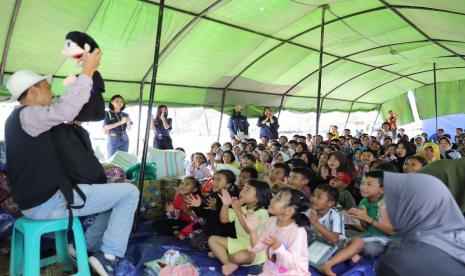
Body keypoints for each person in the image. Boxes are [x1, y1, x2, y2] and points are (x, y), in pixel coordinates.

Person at [5, 50, 141, 275]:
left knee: (112, 194)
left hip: (32, 203)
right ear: (32, 91)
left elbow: (62, 116)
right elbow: (63, 110)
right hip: (48, 203)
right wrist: (88, 71)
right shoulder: (28, 114)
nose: (51, 92)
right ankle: (109, 256)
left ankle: (86, 247)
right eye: (47, 87)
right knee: (129, 193)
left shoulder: (17, 120)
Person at [377, 173, 465, 275]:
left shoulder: (398, 262)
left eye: (390, 200)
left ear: (413, 208)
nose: (380, 204)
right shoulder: (457, 239)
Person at [319, 171, 396, 276]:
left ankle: (329, 264)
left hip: (388, 241)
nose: (363, 187)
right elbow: (366, 227)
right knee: (343, 239)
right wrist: (362, 219)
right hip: (370, 235)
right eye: (362, 183)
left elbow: (391, 232)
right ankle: (352, 253)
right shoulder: (364, 202)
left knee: (368, 248)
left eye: (369, 184)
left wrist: (366, 218)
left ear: (382, 190)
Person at [209, 180, 271, 275]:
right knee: (212, 239)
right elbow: (224, 219)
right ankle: (228, 263)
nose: (242, 191)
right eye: (243, 188)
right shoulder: (242, 208)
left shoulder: (262, 213)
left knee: (240, 257)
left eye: (247, 190)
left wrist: (237, 209)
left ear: (258, 198)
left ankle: (222, 255)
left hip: (255, 250)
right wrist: (225, 205)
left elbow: (248, 230)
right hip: (240, 243)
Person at [246, 188, 311, 276]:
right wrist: (253, 231)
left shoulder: (298, 231)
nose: (272, 200)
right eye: (275, 196)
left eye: (278, 199)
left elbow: (293, 264)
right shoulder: (272, 221)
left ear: (289, 210)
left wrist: (277, 246)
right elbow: (258, 247)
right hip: (271, 272)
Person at [186, 170, 239, 252]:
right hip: (211, 230)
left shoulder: (233, 197)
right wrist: (198, 206)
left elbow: (227, 219)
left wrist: (215, 209)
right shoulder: (213, 195)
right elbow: (204, 214)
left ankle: (220, 247)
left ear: (228, 184)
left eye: (218, 179)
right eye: (214, 179)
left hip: (224, 233)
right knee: (193, 243)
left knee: (201, 246)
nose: (214, 182)